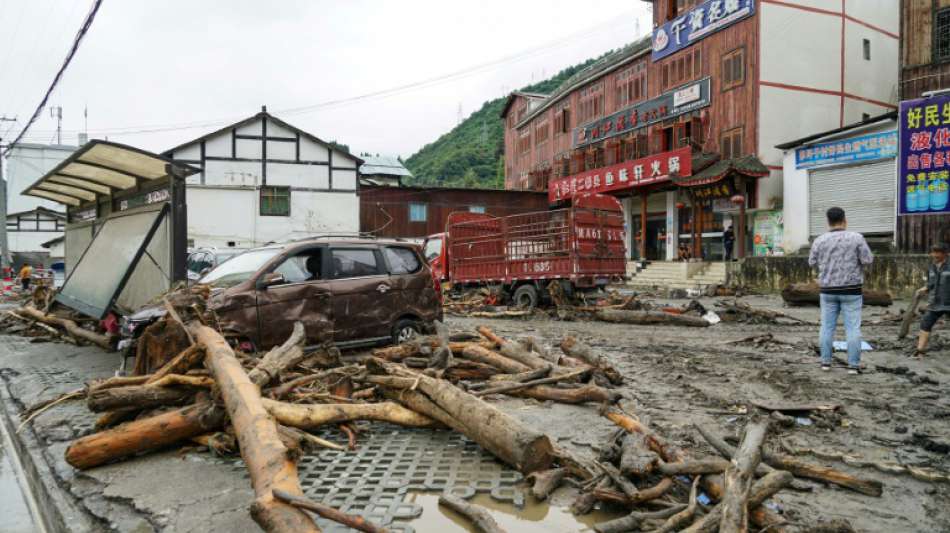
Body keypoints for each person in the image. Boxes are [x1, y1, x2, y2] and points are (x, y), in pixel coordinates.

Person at [808, 207, 873, 374]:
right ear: (845, 220)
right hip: (852, 290)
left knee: (827, 327)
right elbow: (867, 259)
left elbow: (811, 262)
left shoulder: (819, 240)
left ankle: (825, 363)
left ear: (827, 221)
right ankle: (853, 365)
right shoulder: (856, 238)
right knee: (852, 328)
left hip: (828, 289)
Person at [915, 243, 949, 358]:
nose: (934, 255)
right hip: (935, 303)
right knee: (925, 323)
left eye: (938, 252)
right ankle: (920, 350)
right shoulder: (932, 267)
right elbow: (931, 284)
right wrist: (924, 289)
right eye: (933, 252)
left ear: (946, 254)